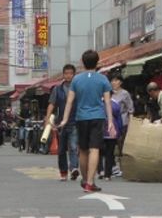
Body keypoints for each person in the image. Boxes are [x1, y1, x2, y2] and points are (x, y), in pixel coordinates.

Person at [60, 50, 115, 193]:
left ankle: (85, 181)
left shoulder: (76, 80)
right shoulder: (103, 79)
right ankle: (91, 182)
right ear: (97, 62)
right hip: (97, 117)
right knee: (94, 149)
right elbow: (108, 103)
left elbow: (69, 102)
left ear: (82, 62)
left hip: (81, 118)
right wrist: (110, 122)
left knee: (83, 150)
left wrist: (65, 119)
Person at [45, 64, 80, 181]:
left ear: (74, 75)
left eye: (71, 73)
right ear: (63, 74)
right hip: (60, 124)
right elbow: (51, 104)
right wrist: (47, 118)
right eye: (66, 73)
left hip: (74, 121)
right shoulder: (57, 89)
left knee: (73, 146)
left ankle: (74, 168)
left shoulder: (78, 88)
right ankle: (63, 172)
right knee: (61, 150)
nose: (68, 75)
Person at [109, 73, 133, 166]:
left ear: (121, 82)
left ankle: (123, 162)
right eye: (112, 80)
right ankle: (112, 164)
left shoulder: (125, 93)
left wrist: (131, 122)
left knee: (121, 142)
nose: (114, 82)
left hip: (122, 120)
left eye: (116, 80)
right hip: (111, 121)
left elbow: (130, 108)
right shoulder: (109, 93)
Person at [100, 99, 122, 181]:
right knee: (109, 154)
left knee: (98, 152)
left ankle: (100, 170)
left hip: (100, 131)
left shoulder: (97, 103)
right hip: (112, 132)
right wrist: (120, 131)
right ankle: (107, 174)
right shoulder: (115, 104)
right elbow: (119, 119)